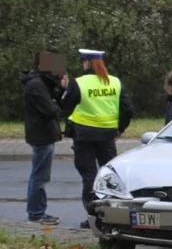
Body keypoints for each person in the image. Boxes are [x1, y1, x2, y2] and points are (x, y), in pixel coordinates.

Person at [62, 49, 134, 228]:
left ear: (86, 63)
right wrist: (120, 129)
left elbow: (65, 106)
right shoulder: (115, 82)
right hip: (108, 136)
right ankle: (111, 216)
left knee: (89, 176)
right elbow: (127, 109)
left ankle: (92, 217)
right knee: (108, 176)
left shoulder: (79, 82)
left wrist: (64, 90)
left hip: (84, 136)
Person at [22, 51, 66, 225]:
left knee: (40, 175)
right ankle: (36, 214)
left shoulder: (42, 83)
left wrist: (61, 89)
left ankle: (38, 212)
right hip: (41, 135)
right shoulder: (36, 85)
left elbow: (56, 103)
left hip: (43, 133)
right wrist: (55, 106)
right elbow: (49, 111)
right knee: (40, 176)